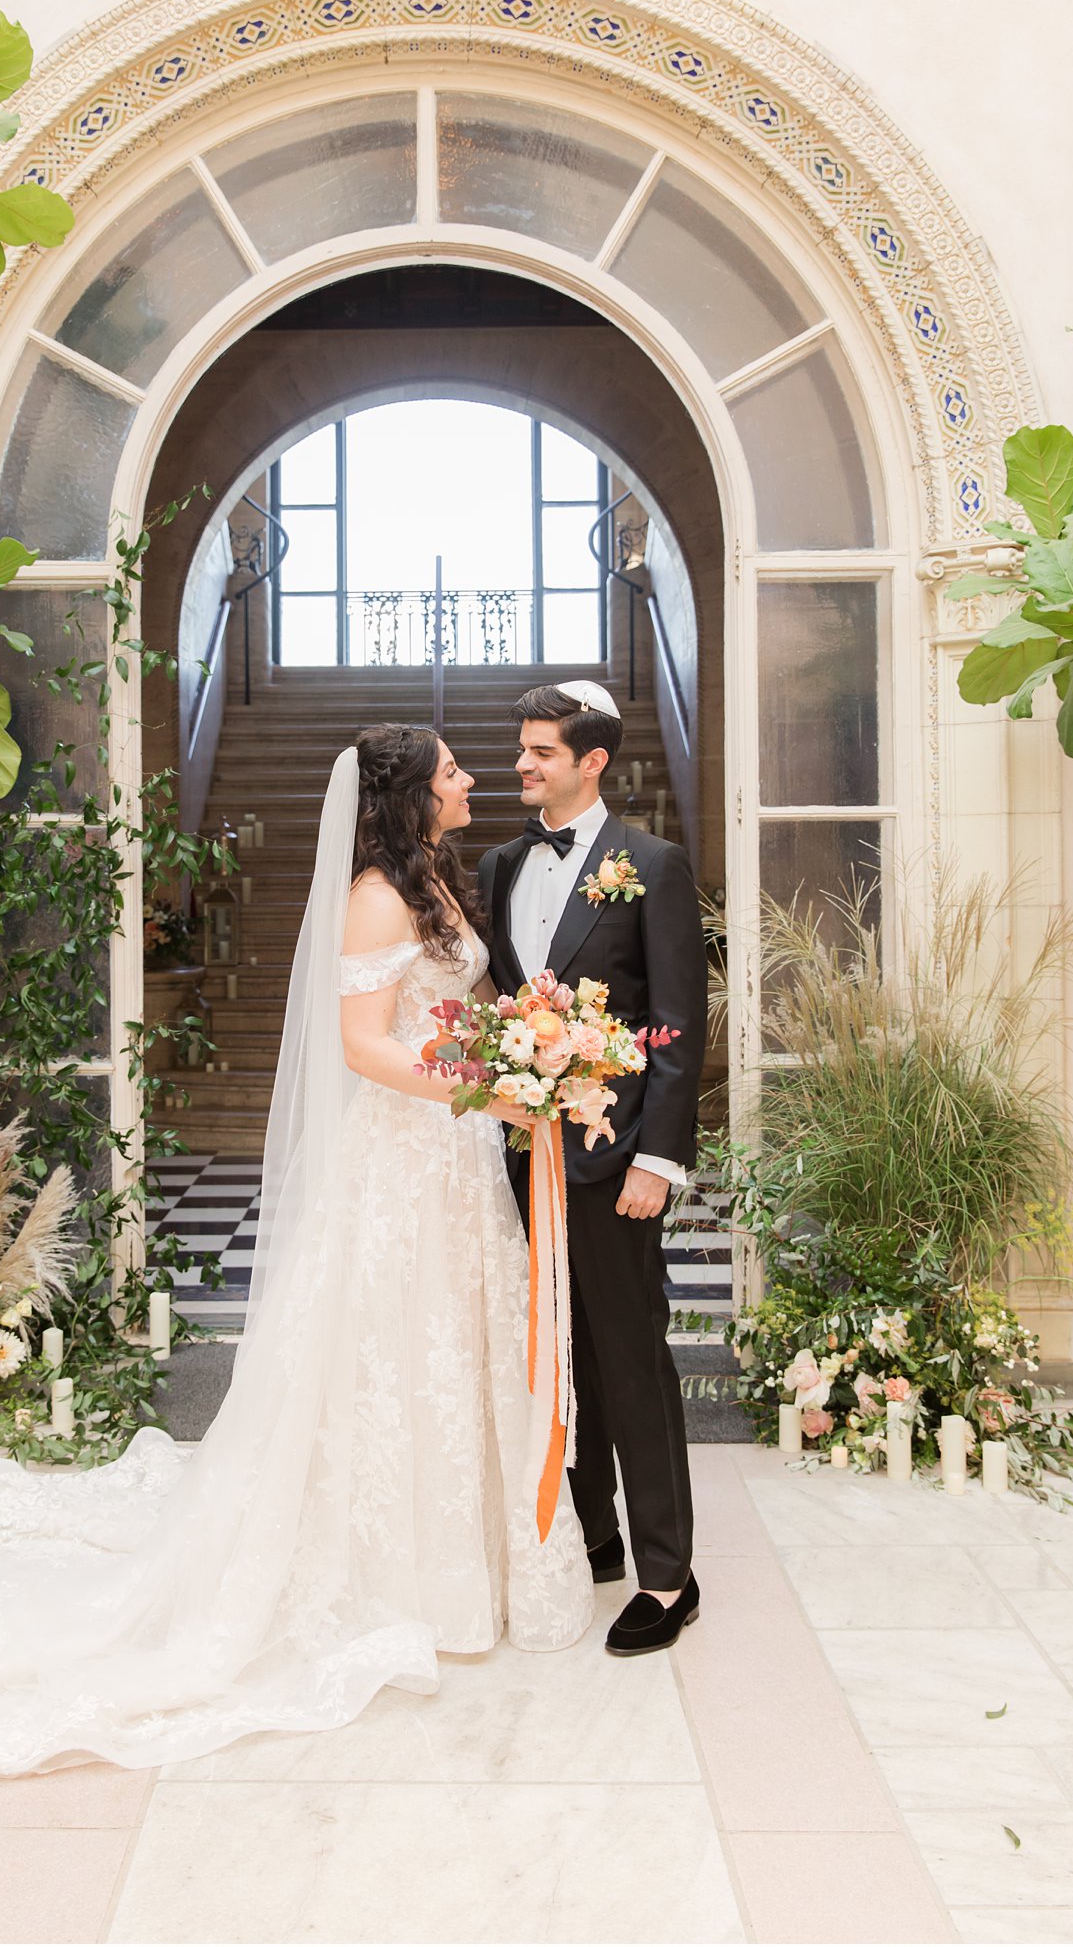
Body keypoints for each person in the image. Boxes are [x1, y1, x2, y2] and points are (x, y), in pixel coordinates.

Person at [0, 726, 592, 1776]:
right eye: (452, 771)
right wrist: (485, 1085)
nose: (469, 782)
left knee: (451, 1348)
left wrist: (532, 1044)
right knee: (386, 1349)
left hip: (451, 1159)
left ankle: (470, 1567)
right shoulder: (373, 893)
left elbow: (458, 1009)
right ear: (412, 795)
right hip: (400, 1163)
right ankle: (392, 1577)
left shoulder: (440, 886)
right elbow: (362, 1046)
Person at [477, 681, 707, 1657]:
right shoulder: (495, 865)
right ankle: (594, 1536)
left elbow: (678, 1028)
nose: (521, 766)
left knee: (631, 1360)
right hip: (516, 1161)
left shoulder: (650, 863)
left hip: (615, 1165)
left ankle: (666, 1575)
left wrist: (657, 1155)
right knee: (556, 1360)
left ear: (590, 761)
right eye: (522, 750)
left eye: (539, 752)